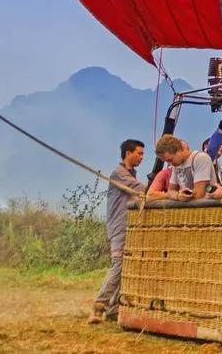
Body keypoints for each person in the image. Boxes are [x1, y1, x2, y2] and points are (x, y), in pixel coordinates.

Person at [88, 138, 145, 324]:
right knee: (118, 264)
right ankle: (98, 306)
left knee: (125, 266)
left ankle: (113, 309)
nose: (142, 157)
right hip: (119, 226)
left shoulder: (131, 173)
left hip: (127, 225)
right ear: (128, 153)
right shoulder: (119, 174)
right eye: (139, 153)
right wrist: (167, 192)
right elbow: (142, 190)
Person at [152, 135, 222, 200]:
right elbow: (171, 192)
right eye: (167, 161)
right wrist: (177, 195)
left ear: (179, 150)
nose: (170, 164)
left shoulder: (201, 158)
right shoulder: (176, 165)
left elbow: (198, 196)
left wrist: (177, 196)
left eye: (170, 160)